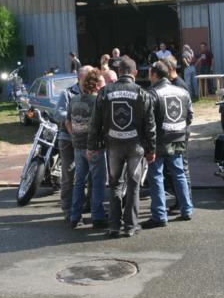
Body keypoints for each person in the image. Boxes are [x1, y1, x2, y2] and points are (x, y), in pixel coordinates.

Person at [88, 56, 156, 238]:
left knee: (115, 185)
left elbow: (95, 122)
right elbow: (150, 125)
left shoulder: (105, 92)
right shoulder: (142, 93)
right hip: (136, 146)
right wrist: (151, 149)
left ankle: (114, 226)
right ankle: (130, 226)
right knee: (133, 185)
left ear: (118, 72)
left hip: (113, 145)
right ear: (135, 73)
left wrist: (92, 146)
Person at [143, 61, 193, 228]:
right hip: (178, 138)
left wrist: (149, 145)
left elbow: (148, 123)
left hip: (159, 141)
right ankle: (187, 209)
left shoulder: (152, 93)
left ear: (155, 75)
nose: (149, 77)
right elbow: (190, 116)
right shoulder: (182, 92)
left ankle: (159, 215)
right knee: (179, 174)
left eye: (150, 74)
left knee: (156, 176)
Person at [67, 69, 107, 229]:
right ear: (96, 85)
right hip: (95, 148)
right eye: (102, 82)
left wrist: (74, 136)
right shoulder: (98, 101)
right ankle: (98, 217)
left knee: (79, 182)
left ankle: (74, 216)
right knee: (97, 182)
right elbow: (102, 125)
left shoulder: (74, 99)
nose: (104, 85)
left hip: (78, 146)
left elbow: (67, 121)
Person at [54, 65, 93, 221]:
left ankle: (89, 204)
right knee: (69, 173)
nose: (93, 79)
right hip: (68, 139)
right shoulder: (67, 93)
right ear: (80, 78)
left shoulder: (93, 92)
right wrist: (75, 116)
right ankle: (68, 208)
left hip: (88, 140)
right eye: (89, 77)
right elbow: (58, 114)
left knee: (91, 174)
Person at [160, 56, 192, 210]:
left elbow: (187, 113)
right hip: (178, 131)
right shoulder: (175, 83)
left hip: (180, 132)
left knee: (182, 168)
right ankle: (182, 201)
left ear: (170, 68)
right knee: (178, 168)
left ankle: (185, 201)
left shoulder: (179, 85)